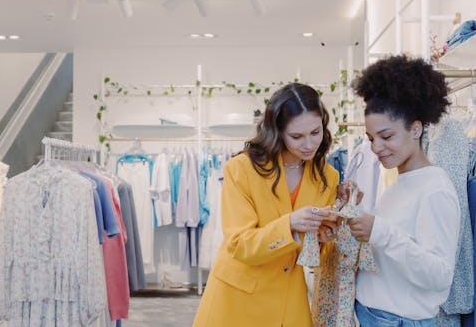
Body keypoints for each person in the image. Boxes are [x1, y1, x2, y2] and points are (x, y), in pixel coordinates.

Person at [192, 83, 341, 327]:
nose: (309, 144)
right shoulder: (241, 169)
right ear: (277, 131)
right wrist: (290, 224)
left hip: (290, 299)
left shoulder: (328, 176)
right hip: (238, 297)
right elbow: (240, 244)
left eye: (316, 132)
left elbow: (316, 255)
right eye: (296, 136)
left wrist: (326, 236)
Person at [348, 55, 461, 326]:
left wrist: (379, 231)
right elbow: (390, 253)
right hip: (375, 315)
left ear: (416, 129)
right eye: (371, 139)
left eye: (386, 137)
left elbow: (439, 275)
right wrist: (356, 211)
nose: (376, 148)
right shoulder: (401, 181)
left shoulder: (434, 189)